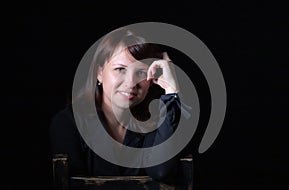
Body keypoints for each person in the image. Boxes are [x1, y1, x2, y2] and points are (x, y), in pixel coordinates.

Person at [49, 26, 187, 183]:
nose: (130, 83)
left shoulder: (155, 122)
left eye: (141, 73)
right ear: (99, 73)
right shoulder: (68, 124)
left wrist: (172, 91)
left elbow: (162, 172)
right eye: (120, 69)